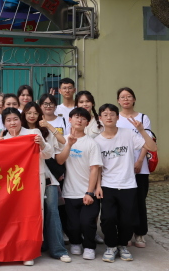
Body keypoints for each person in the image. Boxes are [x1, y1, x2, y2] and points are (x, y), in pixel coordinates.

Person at [94, 104, 157, 263]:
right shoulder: (97, 141)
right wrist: (98, 186)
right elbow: (98, 167)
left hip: (128, 185)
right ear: (100, 118)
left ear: (117, 117)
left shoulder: (128, 134)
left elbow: (152, 147)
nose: (109, 117)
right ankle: (111, 246)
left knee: (127, 219)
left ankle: (122, 245)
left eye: (112, 114)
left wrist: (141, 130)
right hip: (108, 185)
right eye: (105, 114)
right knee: (108, 218)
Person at [0, 107, 53, 267]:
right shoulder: (2, 138)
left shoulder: (33, 133)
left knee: (31, 215)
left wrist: (42, 144)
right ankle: (10, 249)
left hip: (32, 181)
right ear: (4, 123)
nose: (12, 123)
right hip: (11, 185)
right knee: (12, 216)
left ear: (20, 119)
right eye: (8, 120)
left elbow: (48, 155)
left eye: (15, 119)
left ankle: (29, 252)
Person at [21, 102, 71, 263]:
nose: (32, 116)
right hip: (25, 180)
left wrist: (45, 136)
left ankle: (58, 250)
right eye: (29, 112)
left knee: (52, 211)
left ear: (40, 115)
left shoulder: (44, 132)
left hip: (47, 177)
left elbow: (54, 150)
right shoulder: (18, 131)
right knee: (29, 214)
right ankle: (34, 247)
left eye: (35, 113)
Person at [56, 107, 102, 261]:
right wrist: (69, 145)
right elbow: (59, 161)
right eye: (76, 117)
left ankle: (89, 247)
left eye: (83, 118)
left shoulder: (92, 143)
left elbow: (94, 168)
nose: (79, 120)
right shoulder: (64, 140)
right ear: (70, 119)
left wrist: (90, 192)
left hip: (87, 192)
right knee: (73, 224)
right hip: (69, 191)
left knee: (87, 222)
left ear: (87, 123)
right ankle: (75, 242)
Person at [116, 87, 151, 248]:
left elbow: (147, 140)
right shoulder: (116, 118)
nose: (126, 99)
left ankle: (140, 233)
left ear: (134, 99)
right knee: (123, 202)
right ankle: (126, 233)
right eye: (122, 97)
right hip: (121, 167)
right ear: (118, 100)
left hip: (140, 167)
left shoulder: (143, 118)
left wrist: (140, 160)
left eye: (129, 96)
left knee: (139, 200)